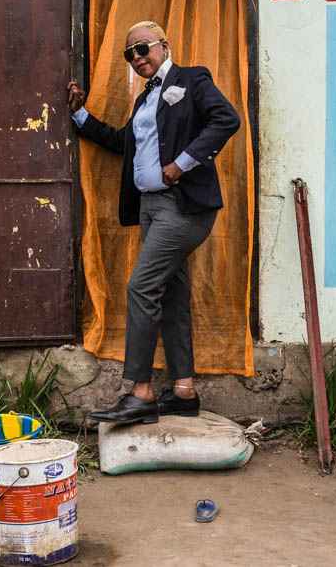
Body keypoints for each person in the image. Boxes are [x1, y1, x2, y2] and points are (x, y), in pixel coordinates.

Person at [67, 21, 240, 425]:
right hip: (150, 208)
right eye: (130, 54)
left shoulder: (191, 79)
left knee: (141, 287)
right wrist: (80, 116)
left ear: (163, 45)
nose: (138, 57)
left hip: (183, 207)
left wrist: (183, 163)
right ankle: (183, 391)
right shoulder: (144, 100)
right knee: (172, 296)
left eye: (143, 48)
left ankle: (140, 392)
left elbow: (225, 120)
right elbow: (122, 143)